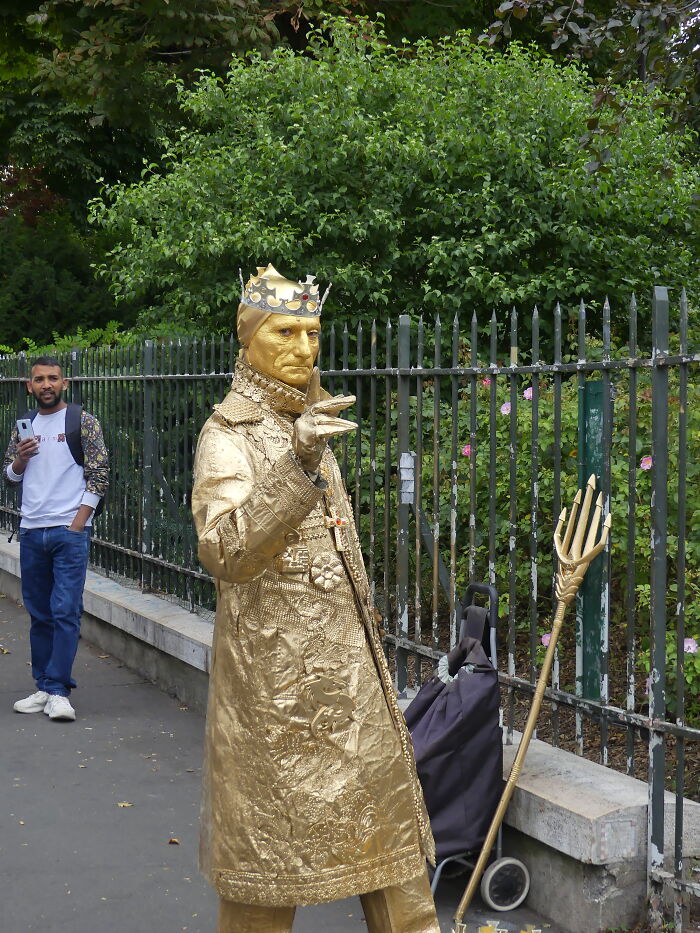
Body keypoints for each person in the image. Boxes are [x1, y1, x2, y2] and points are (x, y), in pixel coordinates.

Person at [192, 264, 440, 933]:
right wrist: (295, 467)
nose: (304, 347)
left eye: (313, 332)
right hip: (274, 707)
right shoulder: (228, 434)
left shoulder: (312, 418)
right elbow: (224, 552)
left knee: (398, 876)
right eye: (286, 331)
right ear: (248, 338)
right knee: (266, 882)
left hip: (355, 695)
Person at [3, 356, 109, 722]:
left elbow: (99, 475)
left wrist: (77, 524)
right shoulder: (24, 427)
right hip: (32, 531)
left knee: (65, 610)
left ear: (64, 383)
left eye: (53, 378)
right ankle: (45, 685)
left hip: (68, 532)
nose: (46, 384)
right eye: (39, 379)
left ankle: (58, 691)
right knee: (40, 613)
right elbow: (9, 477)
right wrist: (20, 460)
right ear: (28, 386)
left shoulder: (83, 421)